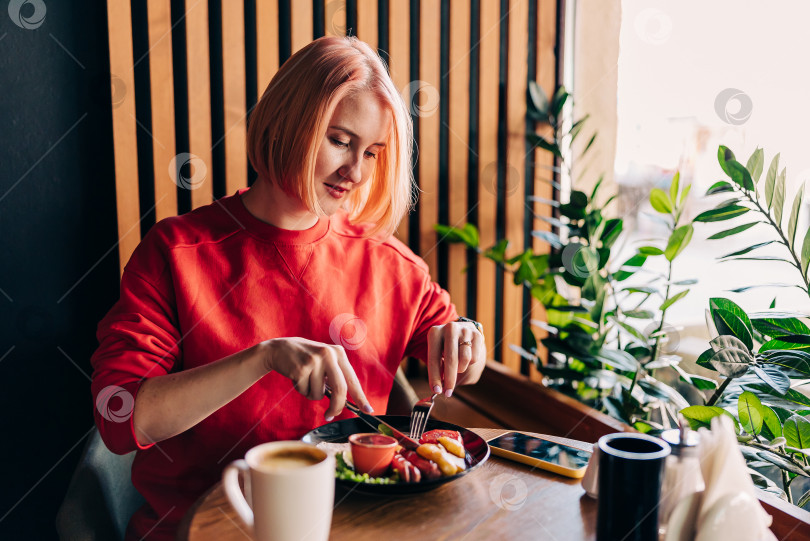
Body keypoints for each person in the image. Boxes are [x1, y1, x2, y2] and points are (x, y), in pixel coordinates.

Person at [90, 35, 486, 540]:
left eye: (372, 152)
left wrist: (465, 335)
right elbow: (121, 420)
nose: (356, 172)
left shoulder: (389, 264)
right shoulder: (177, 251)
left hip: (352, 527)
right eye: (340, 141)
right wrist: (263, 358)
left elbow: (460, 356)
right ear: (286, 121)